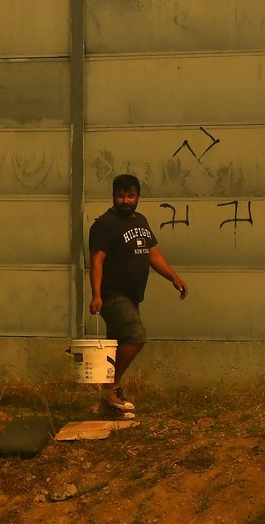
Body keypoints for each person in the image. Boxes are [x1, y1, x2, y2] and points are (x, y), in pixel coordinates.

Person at [89, 173, 188, 417]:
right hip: (112, 295)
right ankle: (111, 386)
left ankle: (107, 408)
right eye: (121, 195)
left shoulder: (141, 221)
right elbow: (97, 261)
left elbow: (153, 254)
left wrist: (173, 278)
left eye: (130, 195)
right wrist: (96, 295)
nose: (126, 200)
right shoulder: (104, 225)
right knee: (135, 336)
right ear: (113, 196)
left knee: (117, 346)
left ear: (138, 196)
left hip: (132, 296)